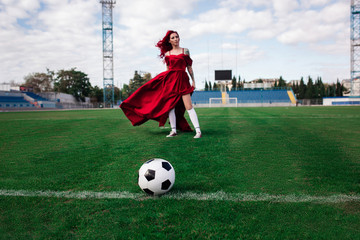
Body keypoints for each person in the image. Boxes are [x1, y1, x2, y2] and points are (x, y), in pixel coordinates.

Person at [120, 30, 202, 138]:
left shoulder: (185, 51)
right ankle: (173, 131)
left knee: (189, 106)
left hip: (183, 80)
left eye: (177, 37)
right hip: (171, 82)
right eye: (173, 37)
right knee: (170, 107)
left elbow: (189, 68)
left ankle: (198, 131)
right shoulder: (167, 54)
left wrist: (193, 80)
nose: (176, 39)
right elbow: (167, 70)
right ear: (169, 41)